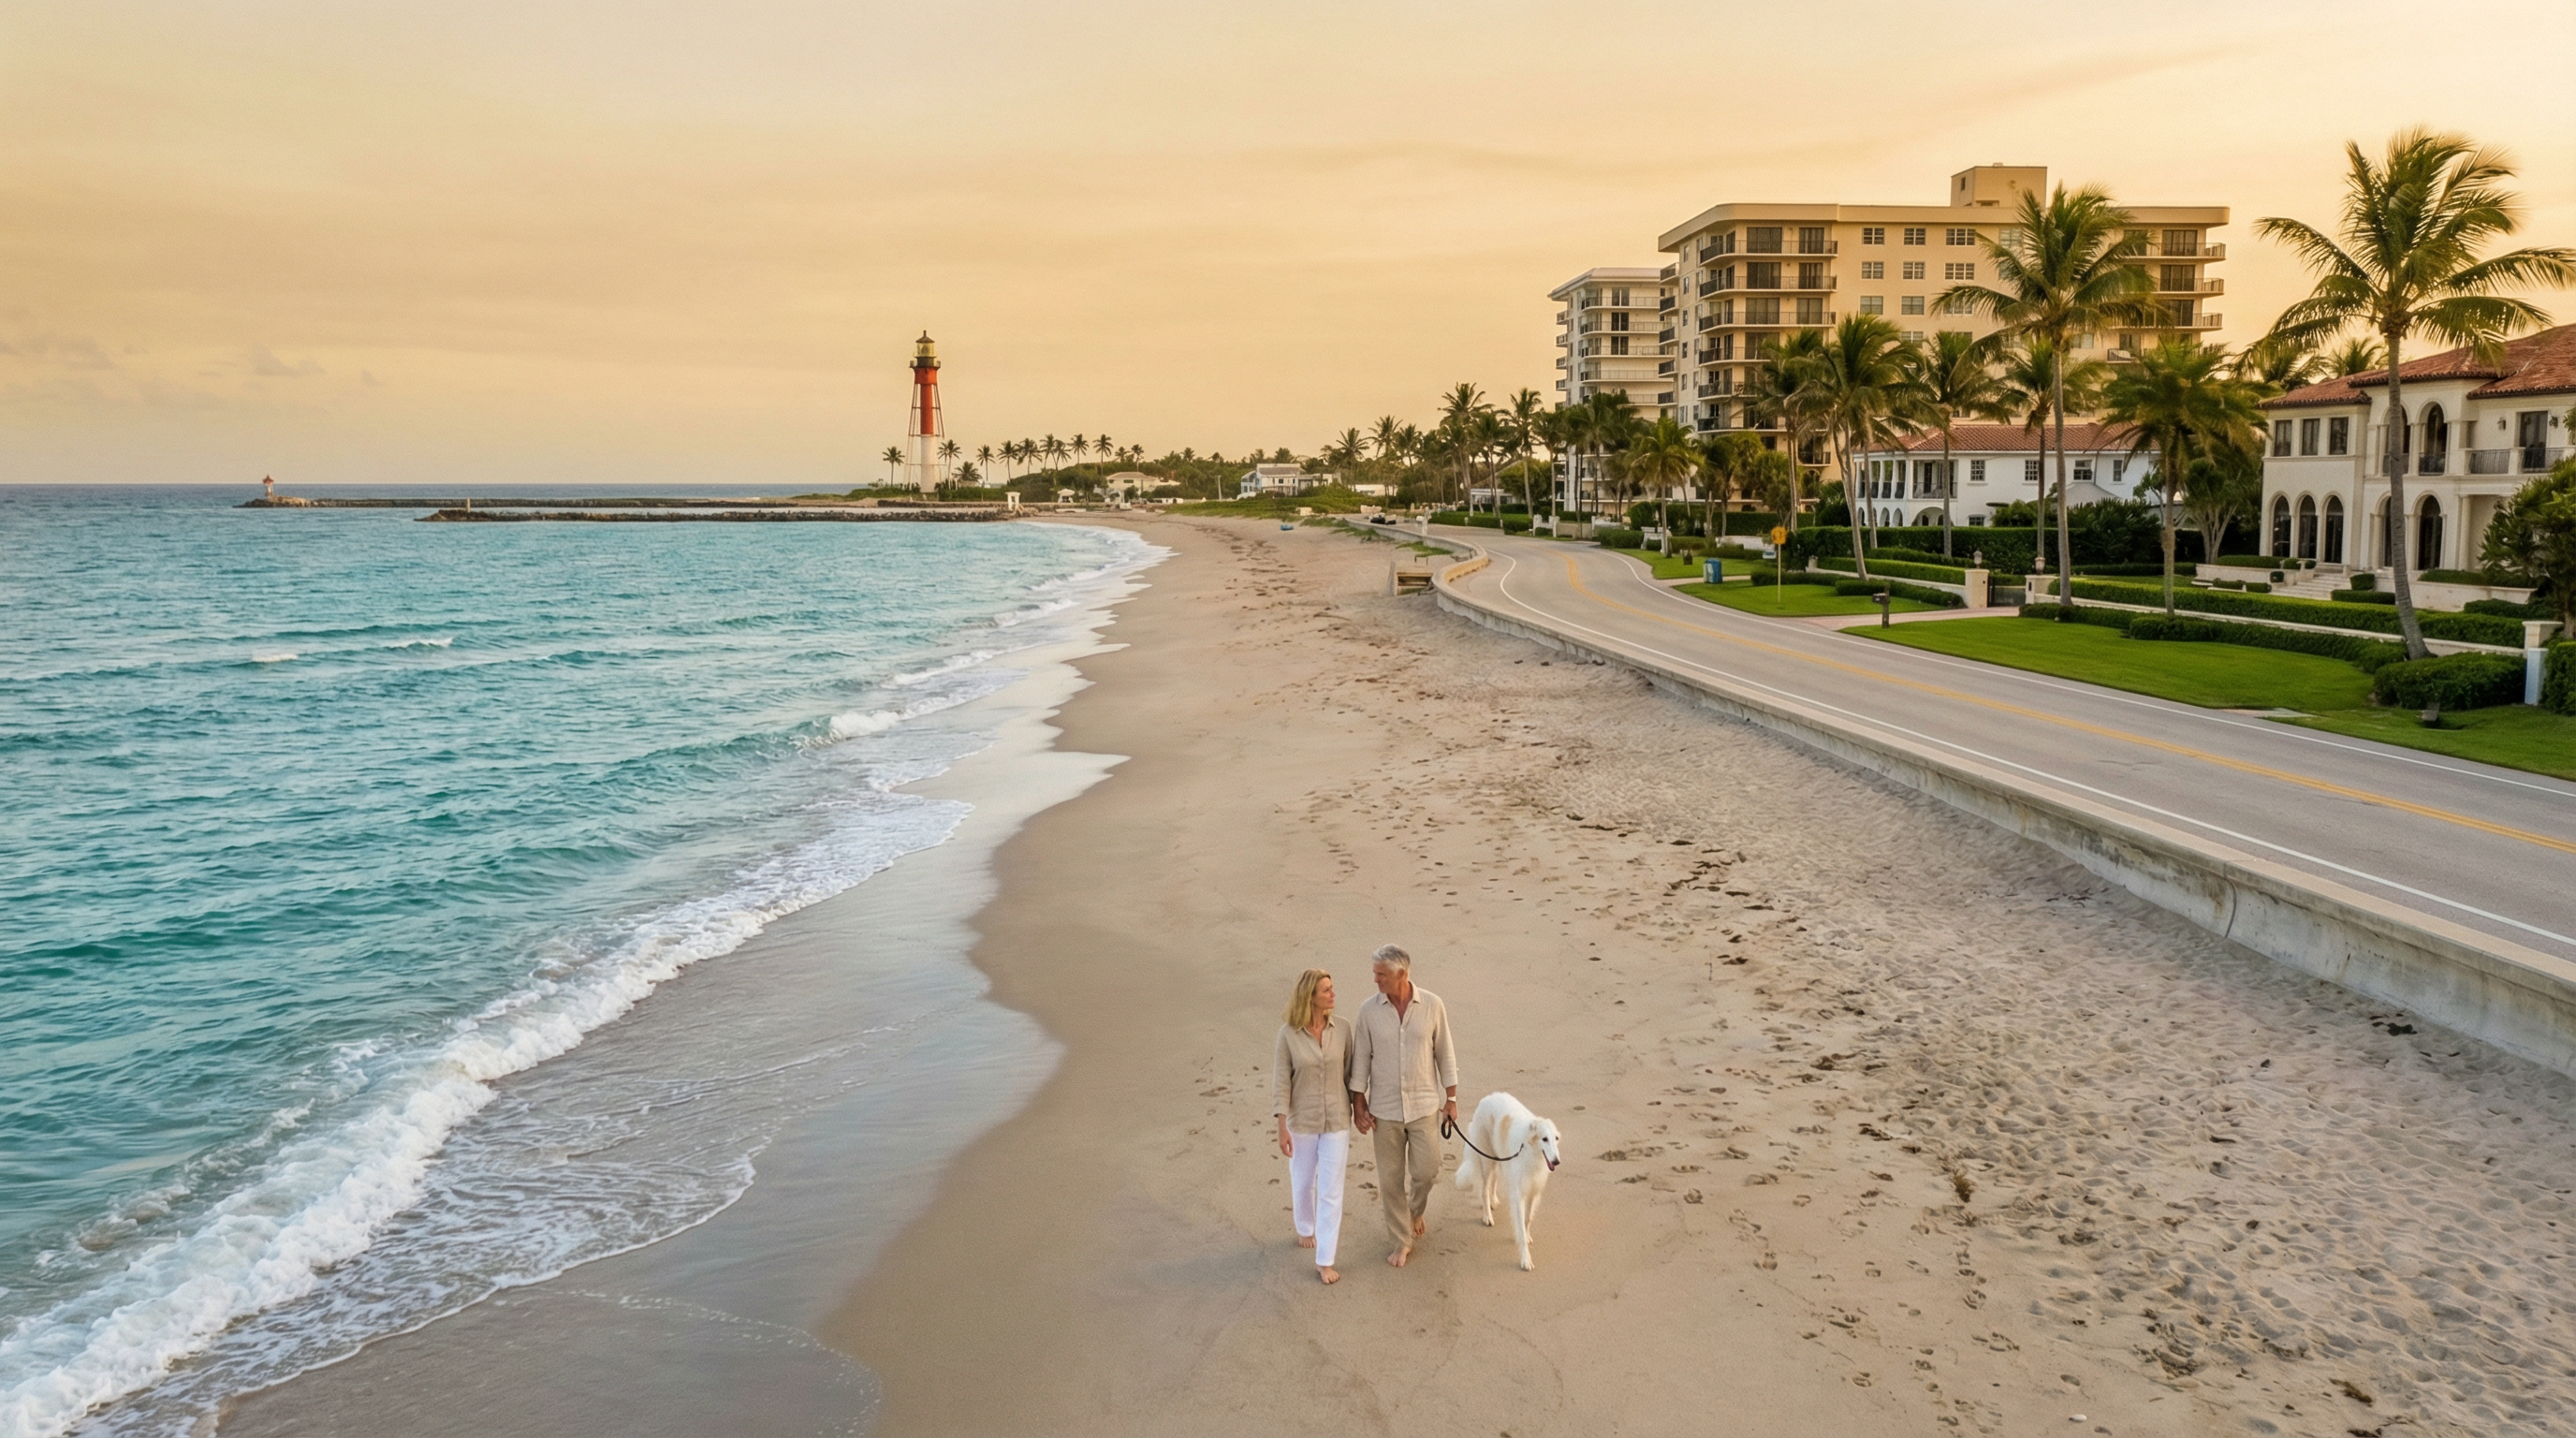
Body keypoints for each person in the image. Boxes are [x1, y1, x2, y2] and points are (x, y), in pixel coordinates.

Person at [1347, 944, 1456, 1269]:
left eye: (1381, 975)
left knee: (1428, 1170)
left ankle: (1415, 1211)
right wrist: (1358, 1102)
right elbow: (1360, 1060)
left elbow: (1445, 1053)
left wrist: (1451, 1099)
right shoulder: (1368, 1011)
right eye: (1375, 974)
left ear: (1402, 975)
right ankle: (1401, 1240)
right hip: (1385, 1109)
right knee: (1390, 1180)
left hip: (1424, 1105)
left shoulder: (1433, 1005)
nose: (1376, 980)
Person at [1272, 967, 1354, 1284]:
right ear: (1311, 996)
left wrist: (1358, 1108)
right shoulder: (1288, 1035)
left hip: (1336, 1121)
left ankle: (1325, 1259)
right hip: (1301, 1122)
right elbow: (1281, 1083)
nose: (1333, 994)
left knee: (1331, 1190)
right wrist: (1282, 1127)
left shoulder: (1343, 1029)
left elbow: (1351, 1075)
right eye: (1326, 990)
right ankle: (1305, 1226)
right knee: (1303, 1181)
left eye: (1332, 988)